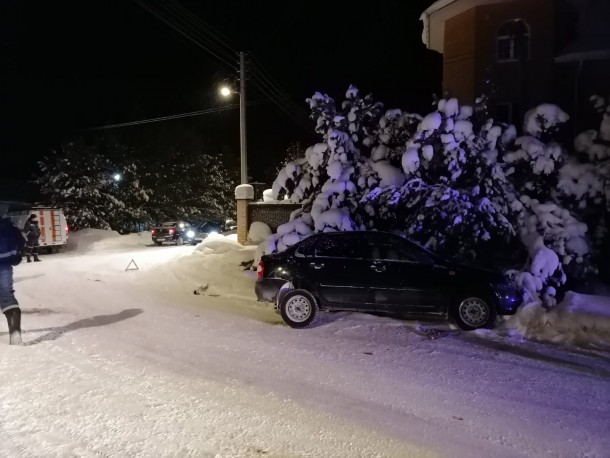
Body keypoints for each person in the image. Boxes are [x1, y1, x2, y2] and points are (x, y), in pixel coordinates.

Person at [0, 216, 25, 345]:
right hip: (4, 265)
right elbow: (21, 241)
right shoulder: (8, 225)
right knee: (7, 295)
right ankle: (15, 332)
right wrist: (16, 257)